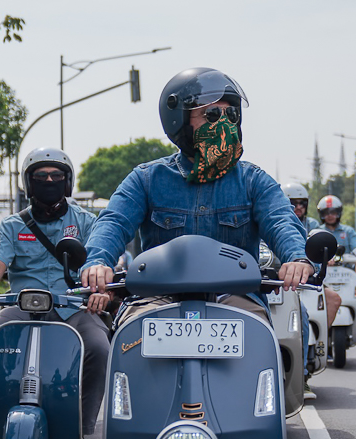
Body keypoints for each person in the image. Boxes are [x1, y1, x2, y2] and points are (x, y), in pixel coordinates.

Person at [80, 67, 313, 325]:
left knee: (263, 335)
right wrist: (97, 262)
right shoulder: (146, 179)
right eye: (211, 114)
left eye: (231, 114)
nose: (224, 123)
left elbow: (281, 220)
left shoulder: (254, 181)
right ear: (179, 120)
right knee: (132, 330)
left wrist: (297, 257)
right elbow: (114, 221)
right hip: (157, 296)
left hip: (235, 296)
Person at [0, 147, 110, 439]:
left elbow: (101, 261)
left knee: (99, 347)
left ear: (67, 182)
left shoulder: (87, 222)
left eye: (56, 176)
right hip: (22, 308)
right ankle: (3, 403)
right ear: (28, 183)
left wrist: (100, 291)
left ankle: (81, 426)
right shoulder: (12, 225)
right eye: (41, 176)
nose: (49, 181)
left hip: (74, 308)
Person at [283, 183, 337, 400]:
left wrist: (318, 261)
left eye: (301, 203)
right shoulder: (269, 222)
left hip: (304, 281)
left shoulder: (313, 225)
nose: (297, 207)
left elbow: (317, 253)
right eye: (292, 203)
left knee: (308, 311)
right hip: (275, 283)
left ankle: (303, 373)